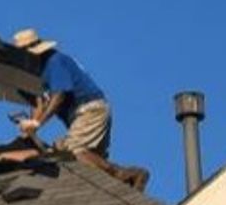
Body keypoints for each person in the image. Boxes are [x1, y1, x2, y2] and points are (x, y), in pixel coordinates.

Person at [11, 28, 149, 190]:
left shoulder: (54, 62)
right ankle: (127, 182)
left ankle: (124, 174)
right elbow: (39, 103)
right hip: (84, 114)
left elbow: (59, 95)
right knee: (91, 163)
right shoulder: (38, 71)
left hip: (90, 109)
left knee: (71, 151)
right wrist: (30, 127)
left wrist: (37, 123)